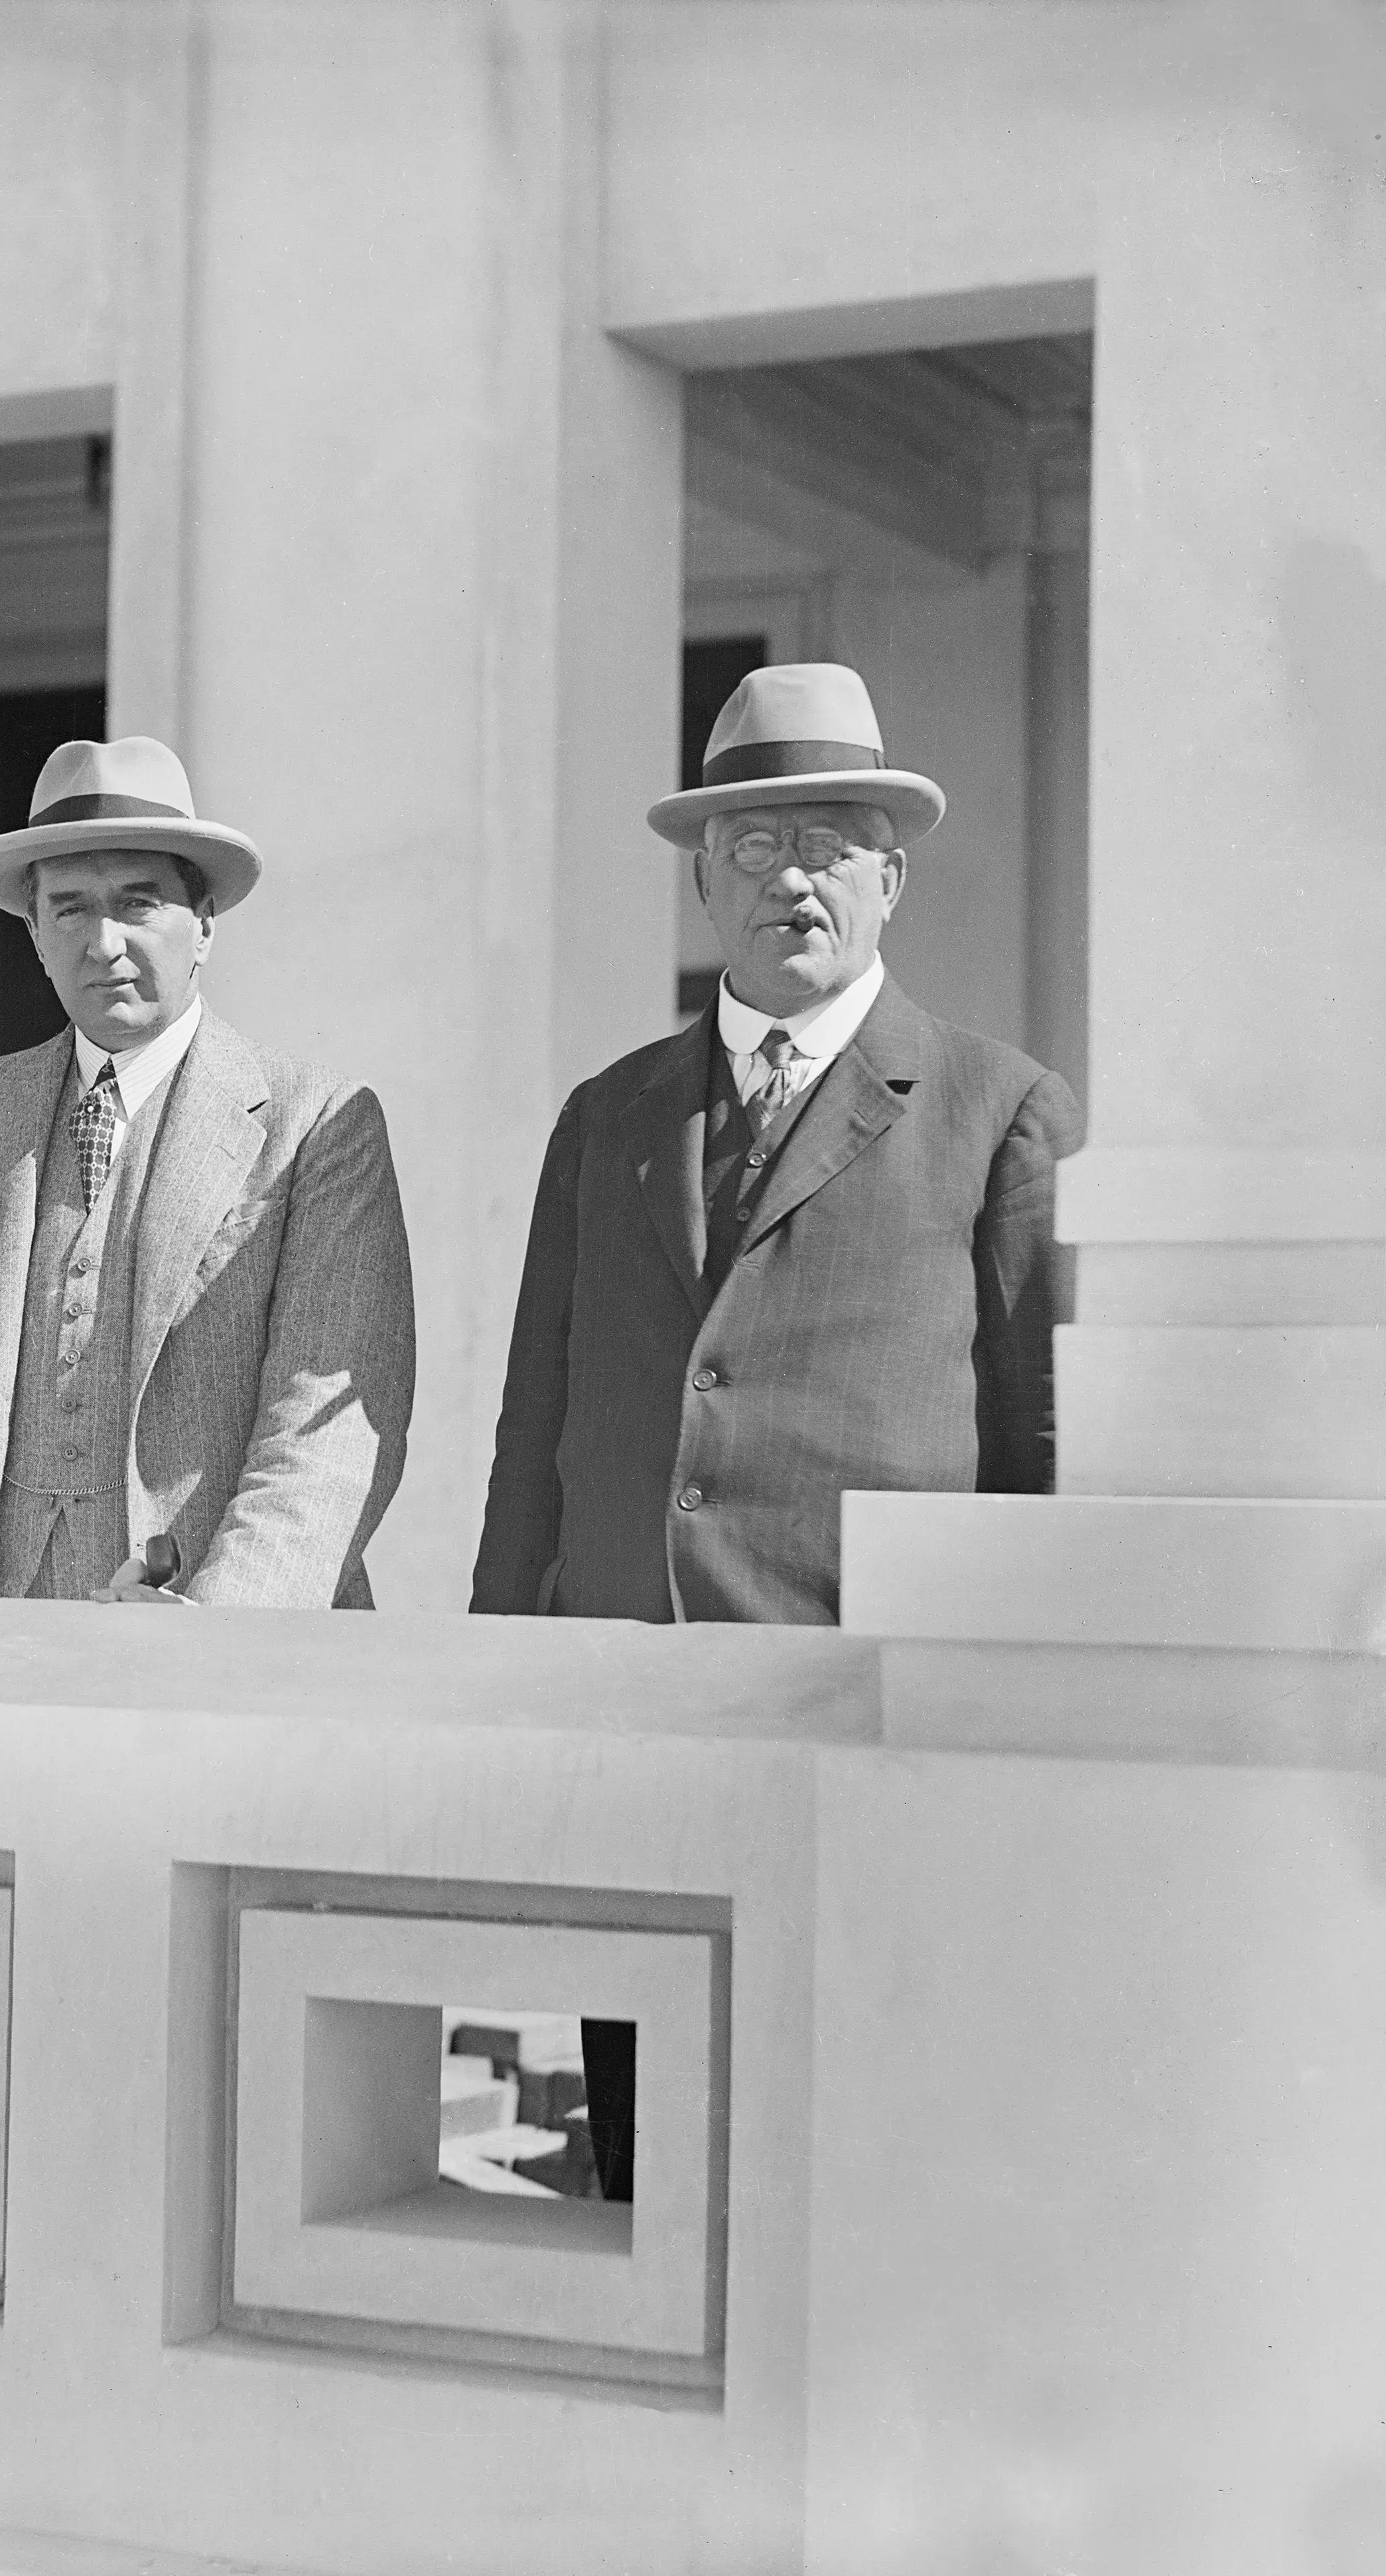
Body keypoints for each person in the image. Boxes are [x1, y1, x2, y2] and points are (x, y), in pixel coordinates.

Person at [469, 661, 1079, 2198]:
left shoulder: (993, 1109)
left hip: (856, 1723)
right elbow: (530, 1430)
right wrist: (494, 1683)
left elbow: (1036, 1461)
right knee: (641, 2194)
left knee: (849, 2175)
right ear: (697, 876)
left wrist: (1003, 1741)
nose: (786, 873)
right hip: (625, 1723)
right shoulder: (606, 1115)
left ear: (888, 873)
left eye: (826, 838)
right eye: (749, 843)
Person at [0, 735, 415, 1607]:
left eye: (137, 903)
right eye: (69, 909)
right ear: (33, 933)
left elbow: (323, 1431)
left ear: (204, 923)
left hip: (211, 1641)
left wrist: (221, 1625)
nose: (103, 941)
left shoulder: (316, 1124)